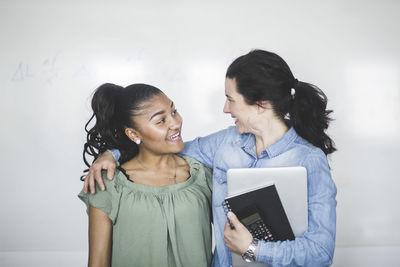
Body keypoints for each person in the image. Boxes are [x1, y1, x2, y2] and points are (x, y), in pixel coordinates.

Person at [83, 50, 337, 267]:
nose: (225, 109)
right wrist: (112, 153)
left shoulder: (309, 160)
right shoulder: (224, 144)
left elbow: (321, 252)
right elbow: (167, 148)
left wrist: (254, 249)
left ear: (260, 105)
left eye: (230, 99)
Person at [78, 83, 213, 267]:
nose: (175, 123)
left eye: (174, 112)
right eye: (161, 121)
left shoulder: (201, 175)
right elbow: (98, 262)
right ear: (133, 134)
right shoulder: (108, 184)